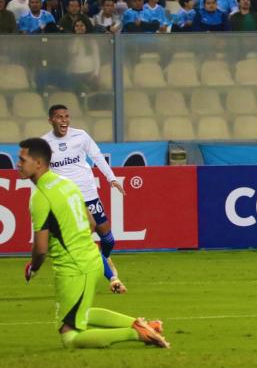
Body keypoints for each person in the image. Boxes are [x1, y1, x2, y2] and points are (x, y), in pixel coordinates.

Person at [18, 138, 169, 349]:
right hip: (92, 259)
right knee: (82, 312)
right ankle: (142, 324)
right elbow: (91, 222)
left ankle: (138, 334)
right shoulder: (66, 183)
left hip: (73, 269)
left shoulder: (40, 197)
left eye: (22, 159)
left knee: (69, 335)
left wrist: (33, 268)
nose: (18, 164)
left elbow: (41, 249)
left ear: (39, 163)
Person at [43, 105, 125, 275]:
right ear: (51, 120)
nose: (64, 120)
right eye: (59, 117)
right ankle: (98, 272)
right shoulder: (44, 143)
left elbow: (97, 156)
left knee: (108, 239)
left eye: (66, 116)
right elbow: (41, 172)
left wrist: (112, 178)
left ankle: (106, 257)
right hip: (67, 198)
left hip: (88, 193)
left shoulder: (80, 136)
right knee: (86, 235)